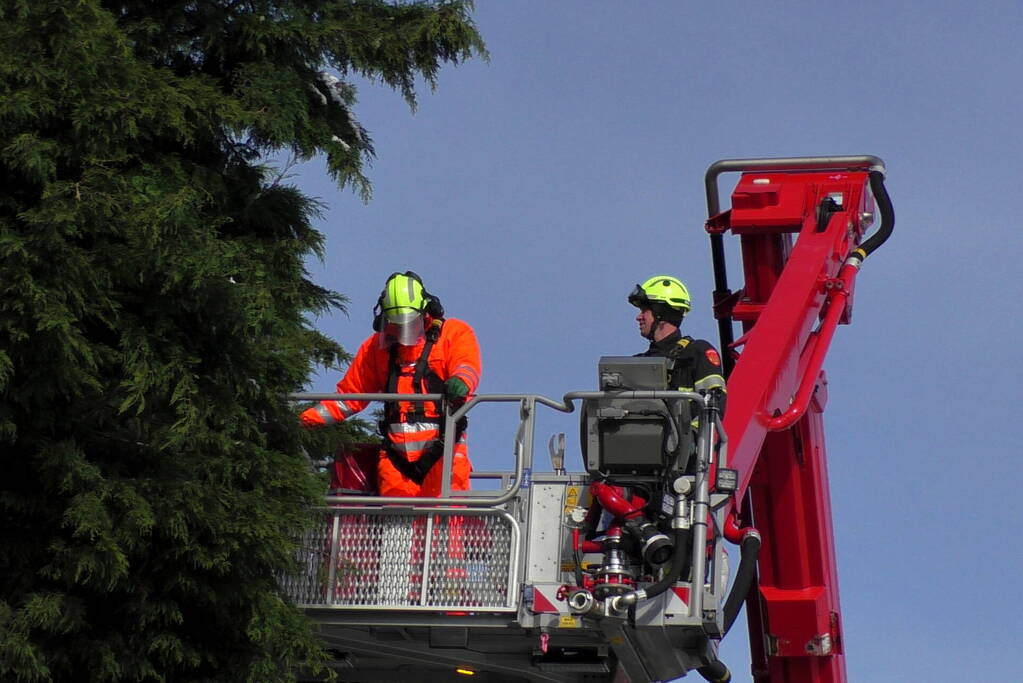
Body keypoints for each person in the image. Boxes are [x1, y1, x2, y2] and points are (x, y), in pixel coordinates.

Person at [300, 271, 481, 497]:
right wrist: (301, 422)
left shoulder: (454, 333)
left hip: (445, 454)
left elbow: (467, 366)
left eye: (407, 324)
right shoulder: (376, 348)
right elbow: (348, 397)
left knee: (445, 524)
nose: (401, 331)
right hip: (396, 459)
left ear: (425, 312)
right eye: (395, 324)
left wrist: (461, 382)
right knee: (395, 527)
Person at [628, 275, 726, 413]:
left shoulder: (696, 352)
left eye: (644, 311)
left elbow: (714, 404)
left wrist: (693, 433)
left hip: (685, 434)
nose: (638, 317)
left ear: (660, 313)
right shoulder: (635, 363)